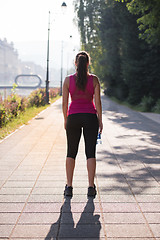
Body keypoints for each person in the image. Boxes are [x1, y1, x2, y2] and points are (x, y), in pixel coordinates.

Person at [62, 51, 103, 197]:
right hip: (90, 117)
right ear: (88, 63)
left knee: (71, 152)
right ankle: (91, 188)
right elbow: (97, 102)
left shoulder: (68, 80)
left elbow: (65, 103)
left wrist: (66, 120)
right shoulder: (94, 80)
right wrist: (100, 120)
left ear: (75, 63)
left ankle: (69, 187)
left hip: (73, 117)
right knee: (90, 153)